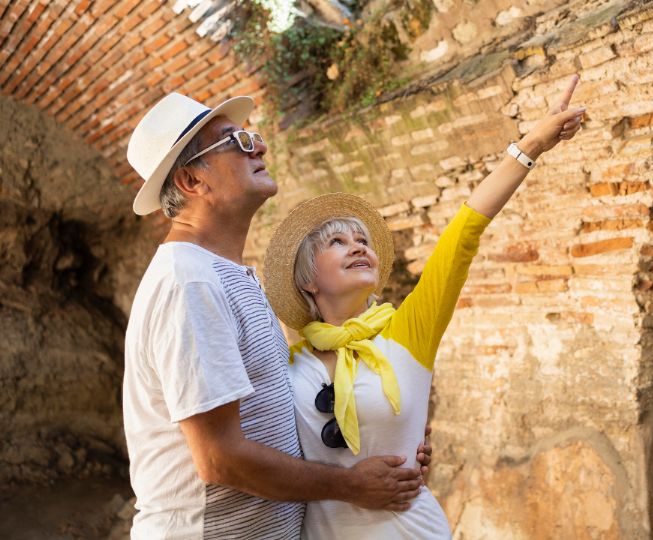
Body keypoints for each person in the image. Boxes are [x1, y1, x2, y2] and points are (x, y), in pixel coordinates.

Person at [262, 75, 585, 539]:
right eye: (337, 242)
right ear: (308, 280)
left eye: (363, 241)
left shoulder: (408, 332)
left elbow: (462, 234)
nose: (358, 247)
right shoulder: (284, 365)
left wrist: (531, 144)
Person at [122, 93, 432, 539]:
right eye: (237, 141)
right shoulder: (189, 283)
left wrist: (391, 442)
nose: (260, 147)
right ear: (191, 181)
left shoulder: (222, 274)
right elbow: (219, 459)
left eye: (253, 137)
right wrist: (352, 485)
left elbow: (275, 414)